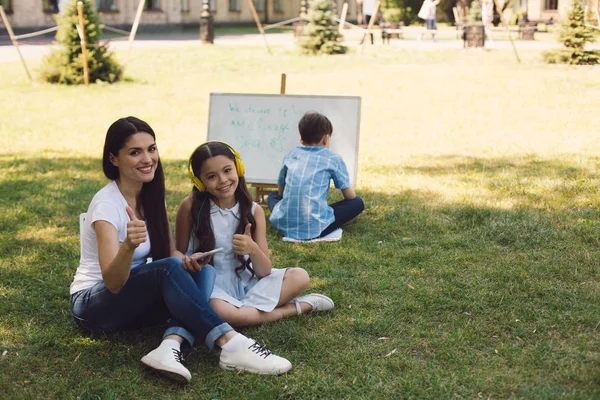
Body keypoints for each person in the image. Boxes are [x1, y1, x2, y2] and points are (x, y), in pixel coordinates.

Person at [70, 117, 292, 384]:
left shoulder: (151, 197)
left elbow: (168, 254)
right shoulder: (106, 205)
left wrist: (187, 260)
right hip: (93, 307)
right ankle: (231, 343)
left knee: (204, 274)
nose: (148, 158)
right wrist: (128, 246)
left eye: (151, 149)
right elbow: (113, 283)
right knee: (169, 269)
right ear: (114, 159)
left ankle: (170, 347)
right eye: (135, 152)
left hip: (132, 302)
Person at [176, 141, 335, 328]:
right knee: (218, 311)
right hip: (212, 288)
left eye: (227, 170)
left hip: (249, 282)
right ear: (199, 182)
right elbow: (176, 253)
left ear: (238, 168)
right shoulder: (189, 207)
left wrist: (252, 249)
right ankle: (294, 308)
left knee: (300, 276)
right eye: (212, 176)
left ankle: (244, 313)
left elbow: (264, 271)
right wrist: (187, 260)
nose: (223, 180)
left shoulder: (254, 210)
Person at [268, 111, 364, 241]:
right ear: (326, 138)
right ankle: (316, 223)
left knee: (272, 196)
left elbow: (280, 192)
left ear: (301, 138)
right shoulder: (333, 159)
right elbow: (350, 196)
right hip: (316, 227)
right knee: (357, 203)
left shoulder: (291, 155)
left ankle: (289, 218)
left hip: (284, 224)